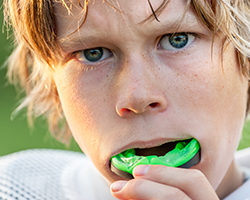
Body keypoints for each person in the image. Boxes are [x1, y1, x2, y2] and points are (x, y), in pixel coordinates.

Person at [2, 0, 250, 199]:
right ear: (54, 86)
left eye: (177, 39)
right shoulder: (16, 189)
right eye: (93, 54)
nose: (137, 96)